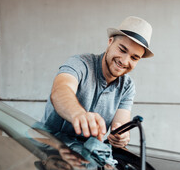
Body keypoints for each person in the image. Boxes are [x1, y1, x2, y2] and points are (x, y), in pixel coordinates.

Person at [40, 16, 154, 148]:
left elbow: (120, 125)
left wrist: (120, 137)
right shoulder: (80, 63)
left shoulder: (127, 86)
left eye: (134, 58)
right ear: (110, 42)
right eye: (122, 50)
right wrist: (79, 114)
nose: (124, 61)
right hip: (47, 150)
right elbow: (60, 91)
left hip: (84, 159)